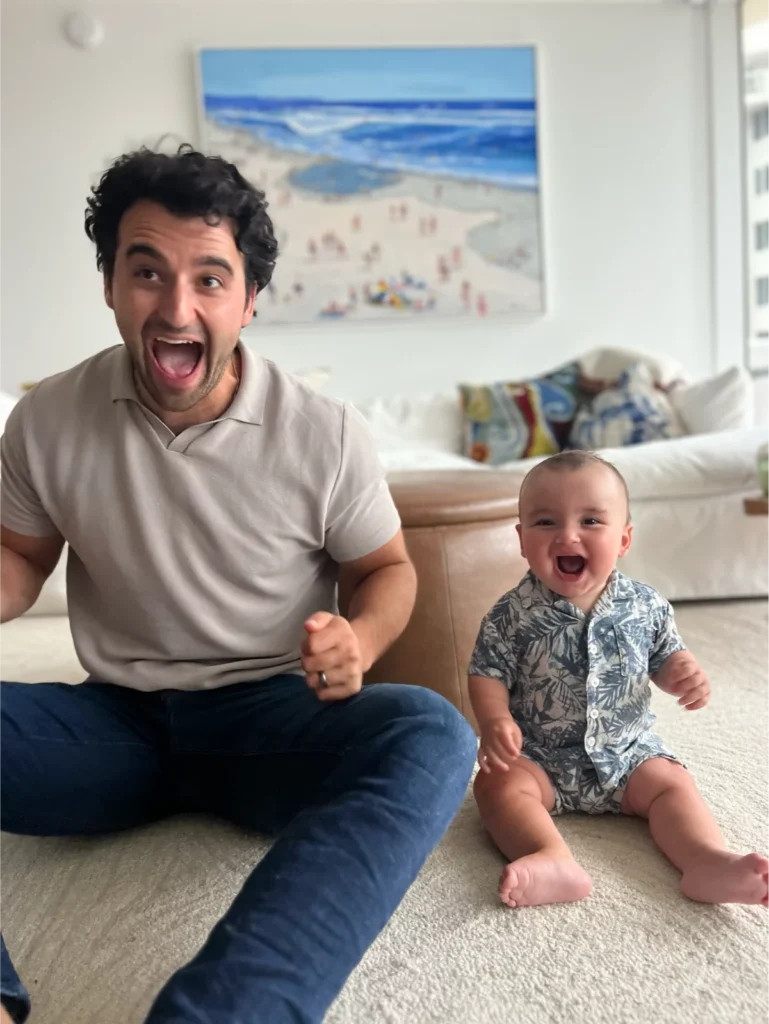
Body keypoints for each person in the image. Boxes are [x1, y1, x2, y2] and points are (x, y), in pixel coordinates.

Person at [0, 146, 477, 1024]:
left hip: (276, 717)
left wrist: (359, 641)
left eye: (209, 279)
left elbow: (384, 570)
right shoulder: (45, 421)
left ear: (249, 300)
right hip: (116, 726)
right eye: (146, 272)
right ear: (109, 283)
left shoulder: (324, 433)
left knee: (432, 734)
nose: (176, 307)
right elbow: (22, 559)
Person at [469, 450, 769, 910]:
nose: (568, 534)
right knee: (495, 785)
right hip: (542, 757)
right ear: (521, 539)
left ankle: (705, 860)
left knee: (673, 785)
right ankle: (548, 856)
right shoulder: (511, 615)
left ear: (624, 538)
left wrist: (682, 674)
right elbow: (487, 672)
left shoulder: (646, 606)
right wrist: (493, 720)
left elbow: (665, 657)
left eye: (591, 521)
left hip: (629, 754)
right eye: (546, 522)